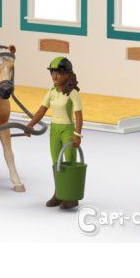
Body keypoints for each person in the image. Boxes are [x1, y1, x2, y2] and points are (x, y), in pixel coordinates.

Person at [25, 57, 83, 209]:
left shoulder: (73, 93)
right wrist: (30, 125)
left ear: (67, 74)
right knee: (56, 163)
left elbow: (78, 115)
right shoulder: (51, 92)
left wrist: (77, 135)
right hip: (54, 131)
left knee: (69, 163)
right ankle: (59, 193)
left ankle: (71, 197)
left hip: (67, 130)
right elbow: (42, 110)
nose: (54, 77)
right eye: (52, 73)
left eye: (58, 73)